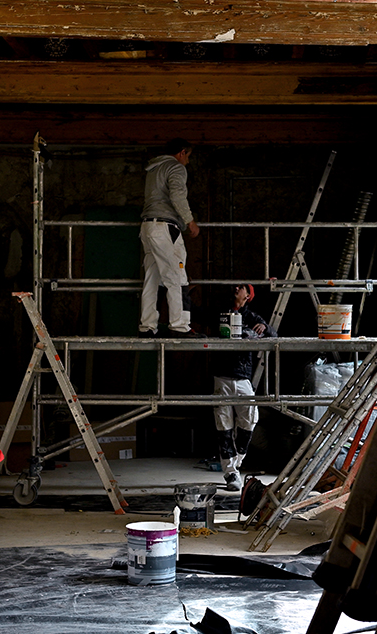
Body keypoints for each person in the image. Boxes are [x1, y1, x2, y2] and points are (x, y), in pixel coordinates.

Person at [139, 138, 204, 337]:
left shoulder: (153, 169)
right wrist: (190, 221)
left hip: (148, 226)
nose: (188, 162)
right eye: (188, 157)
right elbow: (177, 195)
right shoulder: (175, 168)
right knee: (175, 274)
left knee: (152, 277)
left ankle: (147, 326)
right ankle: (179, 325)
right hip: (165, 227)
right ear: (182, 152)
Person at [213, 283, 275, 491]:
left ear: (248, 296)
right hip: (221, 376)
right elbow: (199, 314)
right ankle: (230, 473)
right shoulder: (221, 312)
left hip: (242, 378)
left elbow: (273, 336)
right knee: (223, 425)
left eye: (241, 287)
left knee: (249, 421)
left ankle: (237, 461)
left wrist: (265, 328)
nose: (236, 288)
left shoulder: (251, 317)